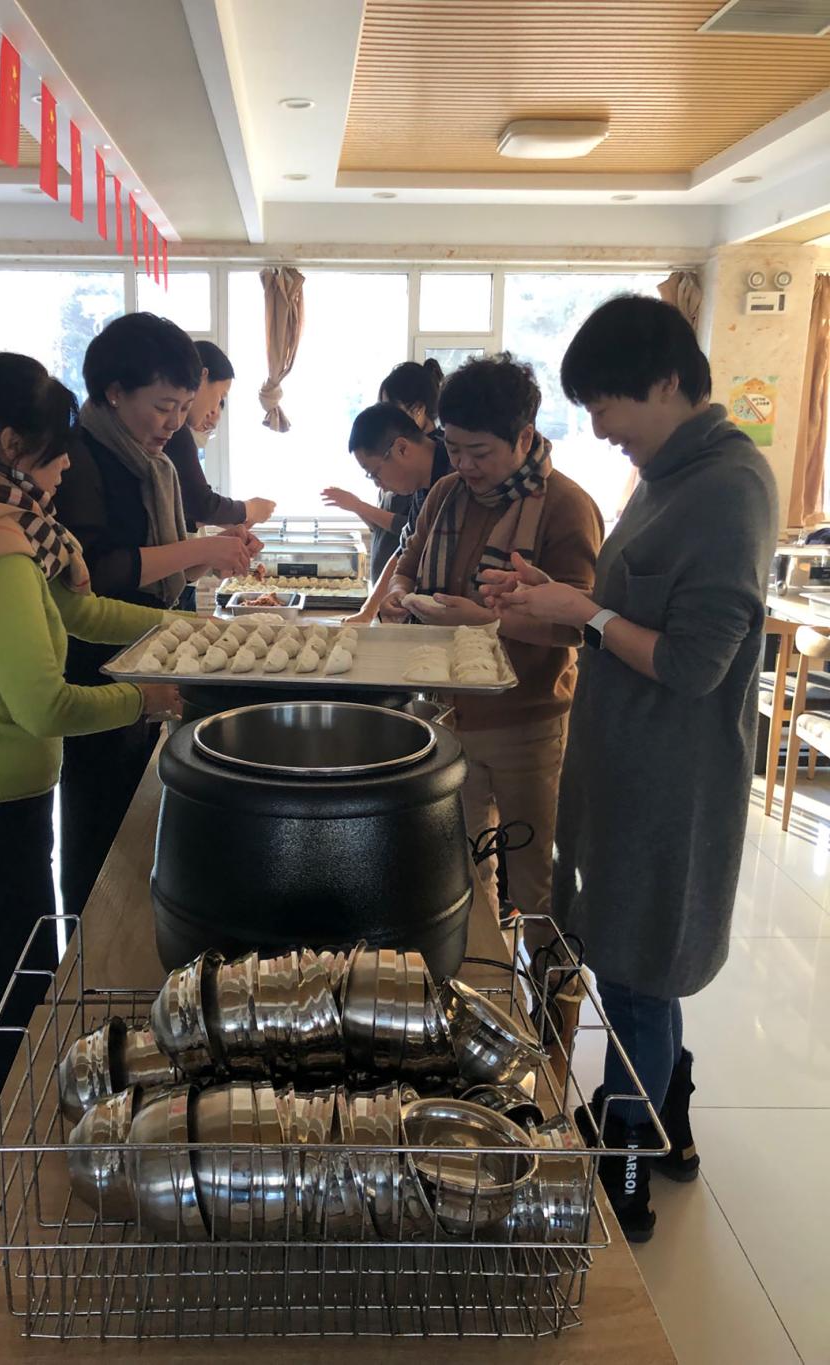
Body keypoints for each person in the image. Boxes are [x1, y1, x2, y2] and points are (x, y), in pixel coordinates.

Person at [480, 297, 778, 1242]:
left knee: (640, 969)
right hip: (621, 760)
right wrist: (559, 600)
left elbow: (692, 665)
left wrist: (587, 613)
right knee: (637, 961)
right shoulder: (665, 475)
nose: (599, 427)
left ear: (665, 382)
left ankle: (629, 1162)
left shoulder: (729, 487)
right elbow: (623, 615)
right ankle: (668, 1121)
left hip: (669, 777)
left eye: (606, 403)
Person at [0, 345, 179, 1176]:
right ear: (14, 446)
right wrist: (146, 700)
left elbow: (81, 612)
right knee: (6, 974)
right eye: (58, 454)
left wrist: (187, 633)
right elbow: (45, 705)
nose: (65, 470)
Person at [390, 354, 603, 933]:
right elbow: (407, 563)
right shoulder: (446, 494)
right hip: (446, 711)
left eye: (479, 452)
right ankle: (483, 977)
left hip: (526, 721)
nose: (463, 465)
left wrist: (483, 622)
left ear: (524, 437)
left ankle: (549, 987)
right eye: (453, 448)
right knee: (459, 870)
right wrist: (401, 595)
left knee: (536, 879)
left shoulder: (566, 506)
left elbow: (580, 624)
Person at [53, 314, 251, 919]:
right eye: (164, 407)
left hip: (144, 648)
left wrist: (212, 555)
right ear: (114, 392)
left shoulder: (150, 463)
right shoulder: (82, 457)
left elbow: (158, 576)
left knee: (138, 804)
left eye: (185, 408)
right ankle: (89, 941)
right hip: (98, 658)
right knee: (98, 813)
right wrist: (197, 549)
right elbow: (99, 571)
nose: (175, 423)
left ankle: (131, 926)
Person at [323, 359, 443, 586]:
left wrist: (358, 505)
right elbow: (408, 543)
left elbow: (405, 530)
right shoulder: (409, 474)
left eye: (375, 473)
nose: (378, 483)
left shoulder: (438, 471)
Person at [342, 403, 453, 621]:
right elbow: (405, 548)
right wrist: (368, 612)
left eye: (375, 473)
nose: (379, 485)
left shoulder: (456, 475)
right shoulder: (422, 488)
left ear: (401, 449)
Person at [164, 341, 276, 533]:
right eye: (221, 396)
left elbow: (181, 513)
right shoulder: (176, 430)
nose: (215, 409)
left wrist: (221, 523)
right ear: (203, 377)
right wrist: (251, 509)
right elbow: (202, 504)